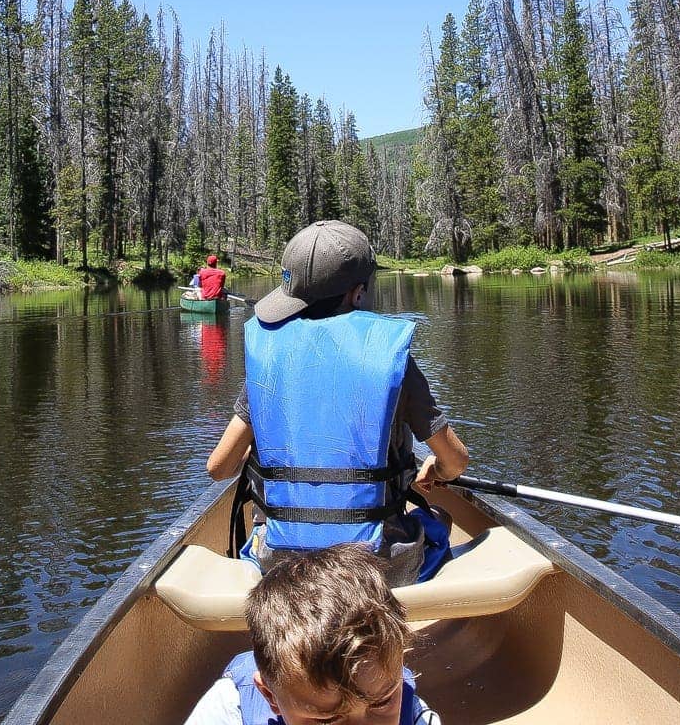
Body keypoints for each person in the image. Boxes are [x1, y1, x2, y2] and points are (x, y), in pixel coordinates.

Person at [205, 220, 469, 586]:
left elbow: (219, 468)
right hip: (373, 568)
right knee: (439, 519)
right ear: (358, 294)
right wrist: (437, 471)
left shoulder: (271, 364)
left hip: (281, 566)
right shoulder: (390, 361)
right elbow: (456, 460)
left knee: (259, 540)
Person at [182, 544, 441, 725]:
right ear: (270, 696)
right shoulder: (230, 710)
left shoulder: (414, 715)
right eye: (326, 721)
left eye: (382, 703)